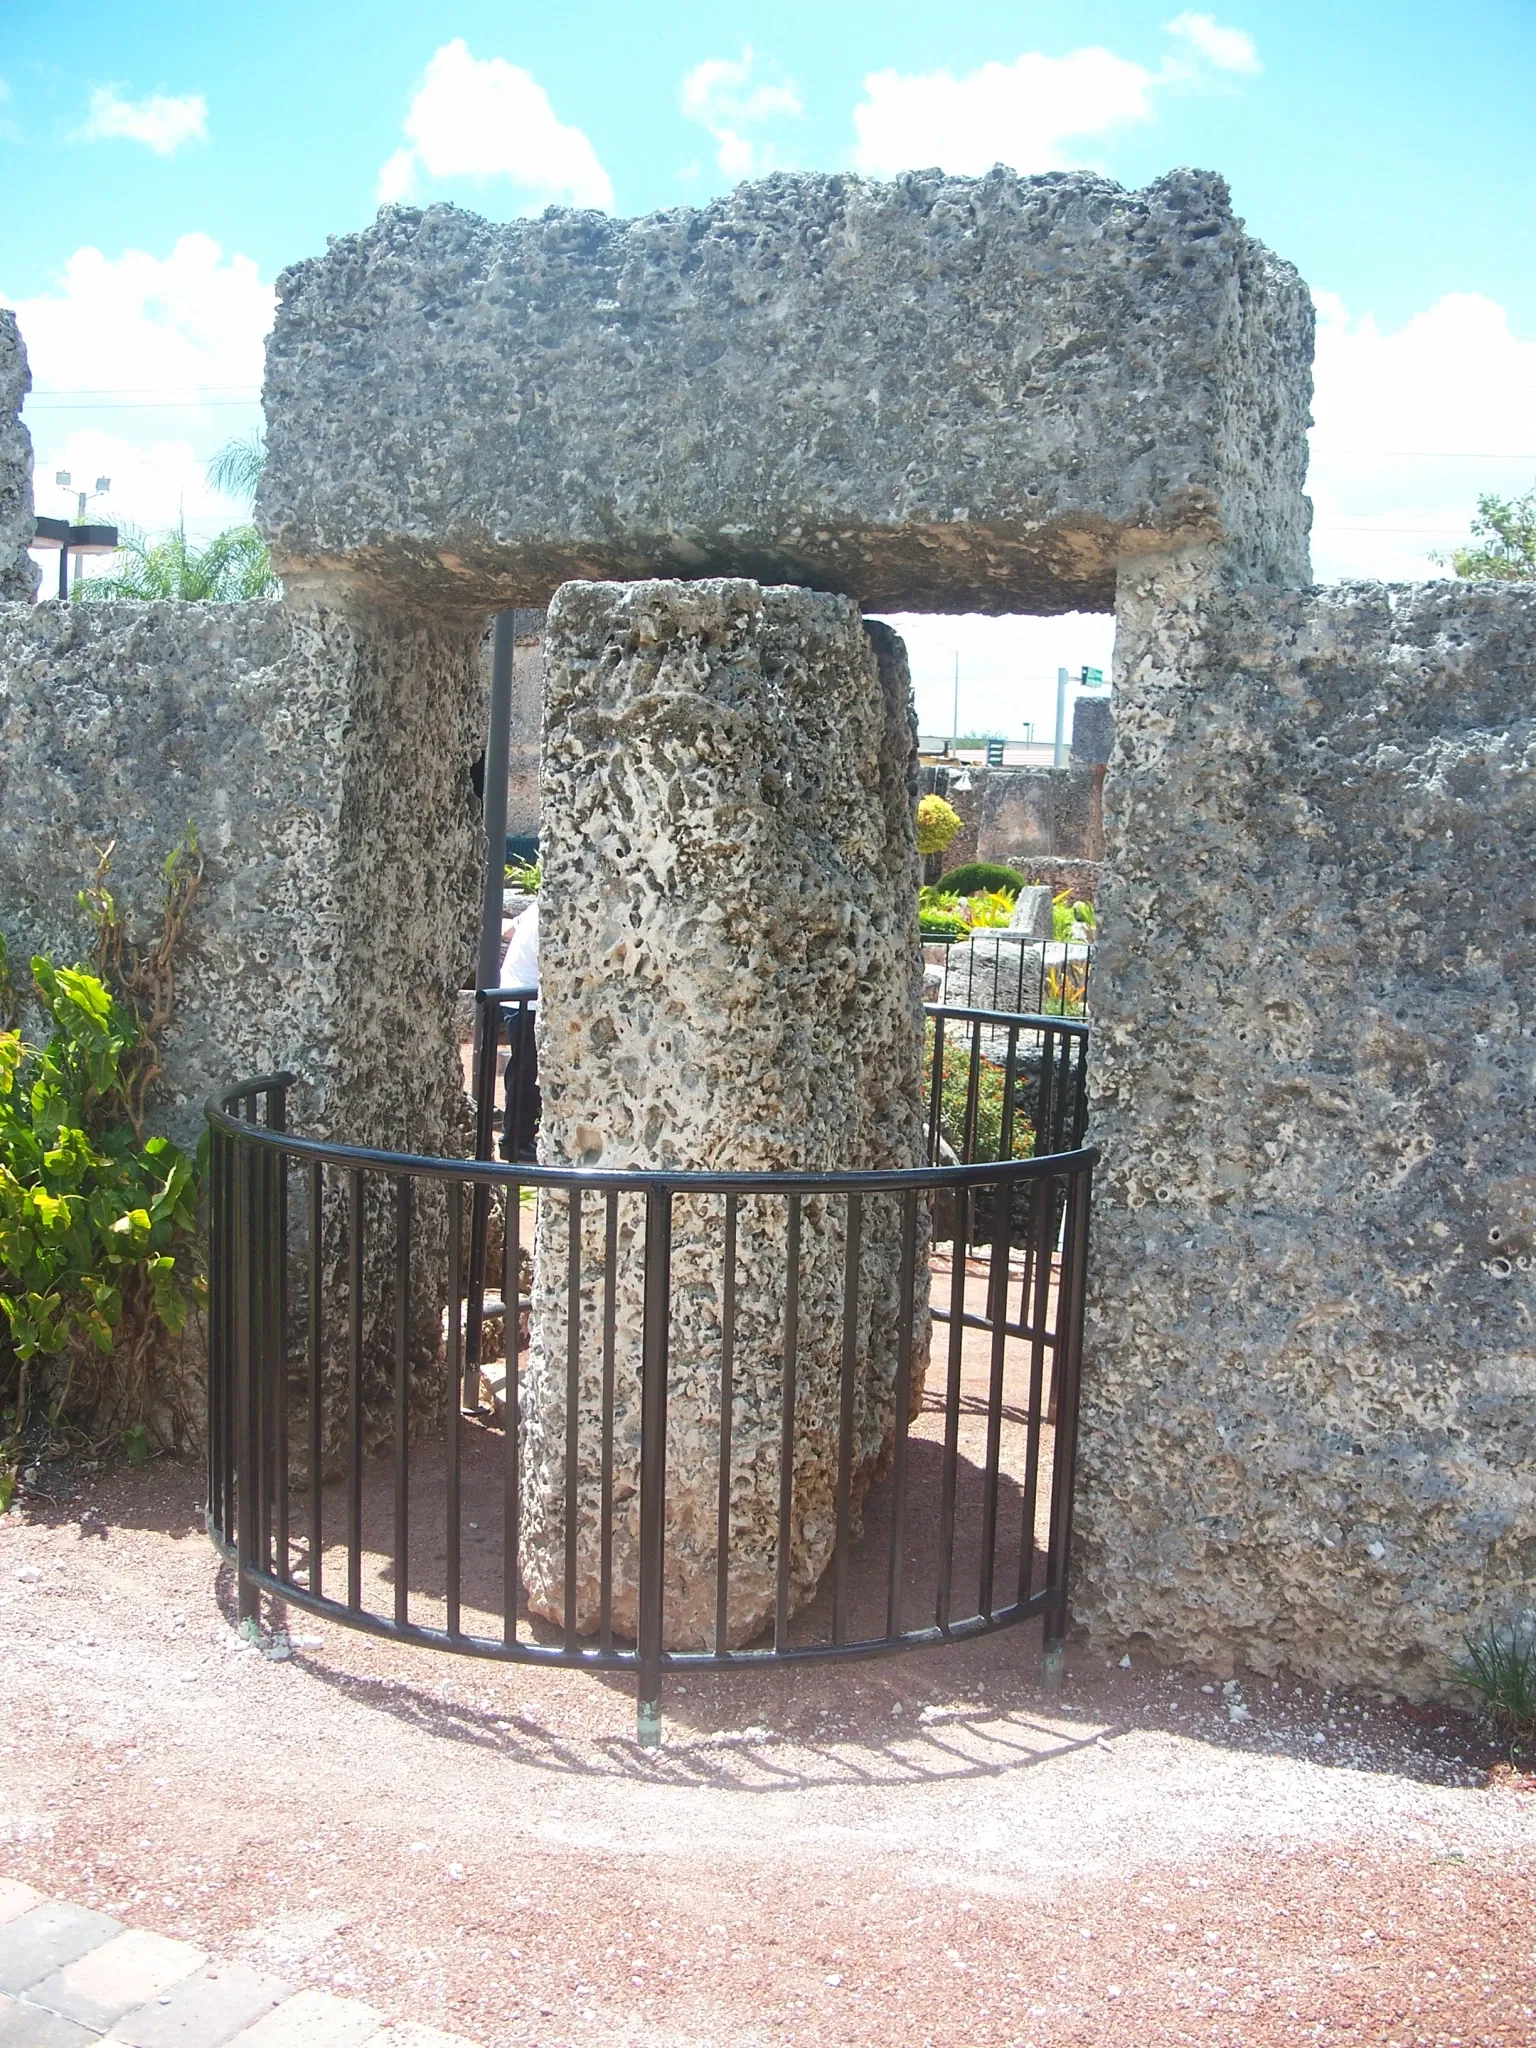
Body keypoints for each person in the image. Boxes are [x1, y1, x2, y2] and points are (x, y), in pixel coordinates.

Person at [498, 900, 540, 1162]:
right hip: (526, 1000)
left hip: (517, 994)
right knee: (525, 1073)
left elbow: (508, 931)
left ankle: (520, 1138)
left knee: (525, 1071)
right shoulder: (545, 910)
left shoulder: (539, 905)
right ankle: (515, 1142)